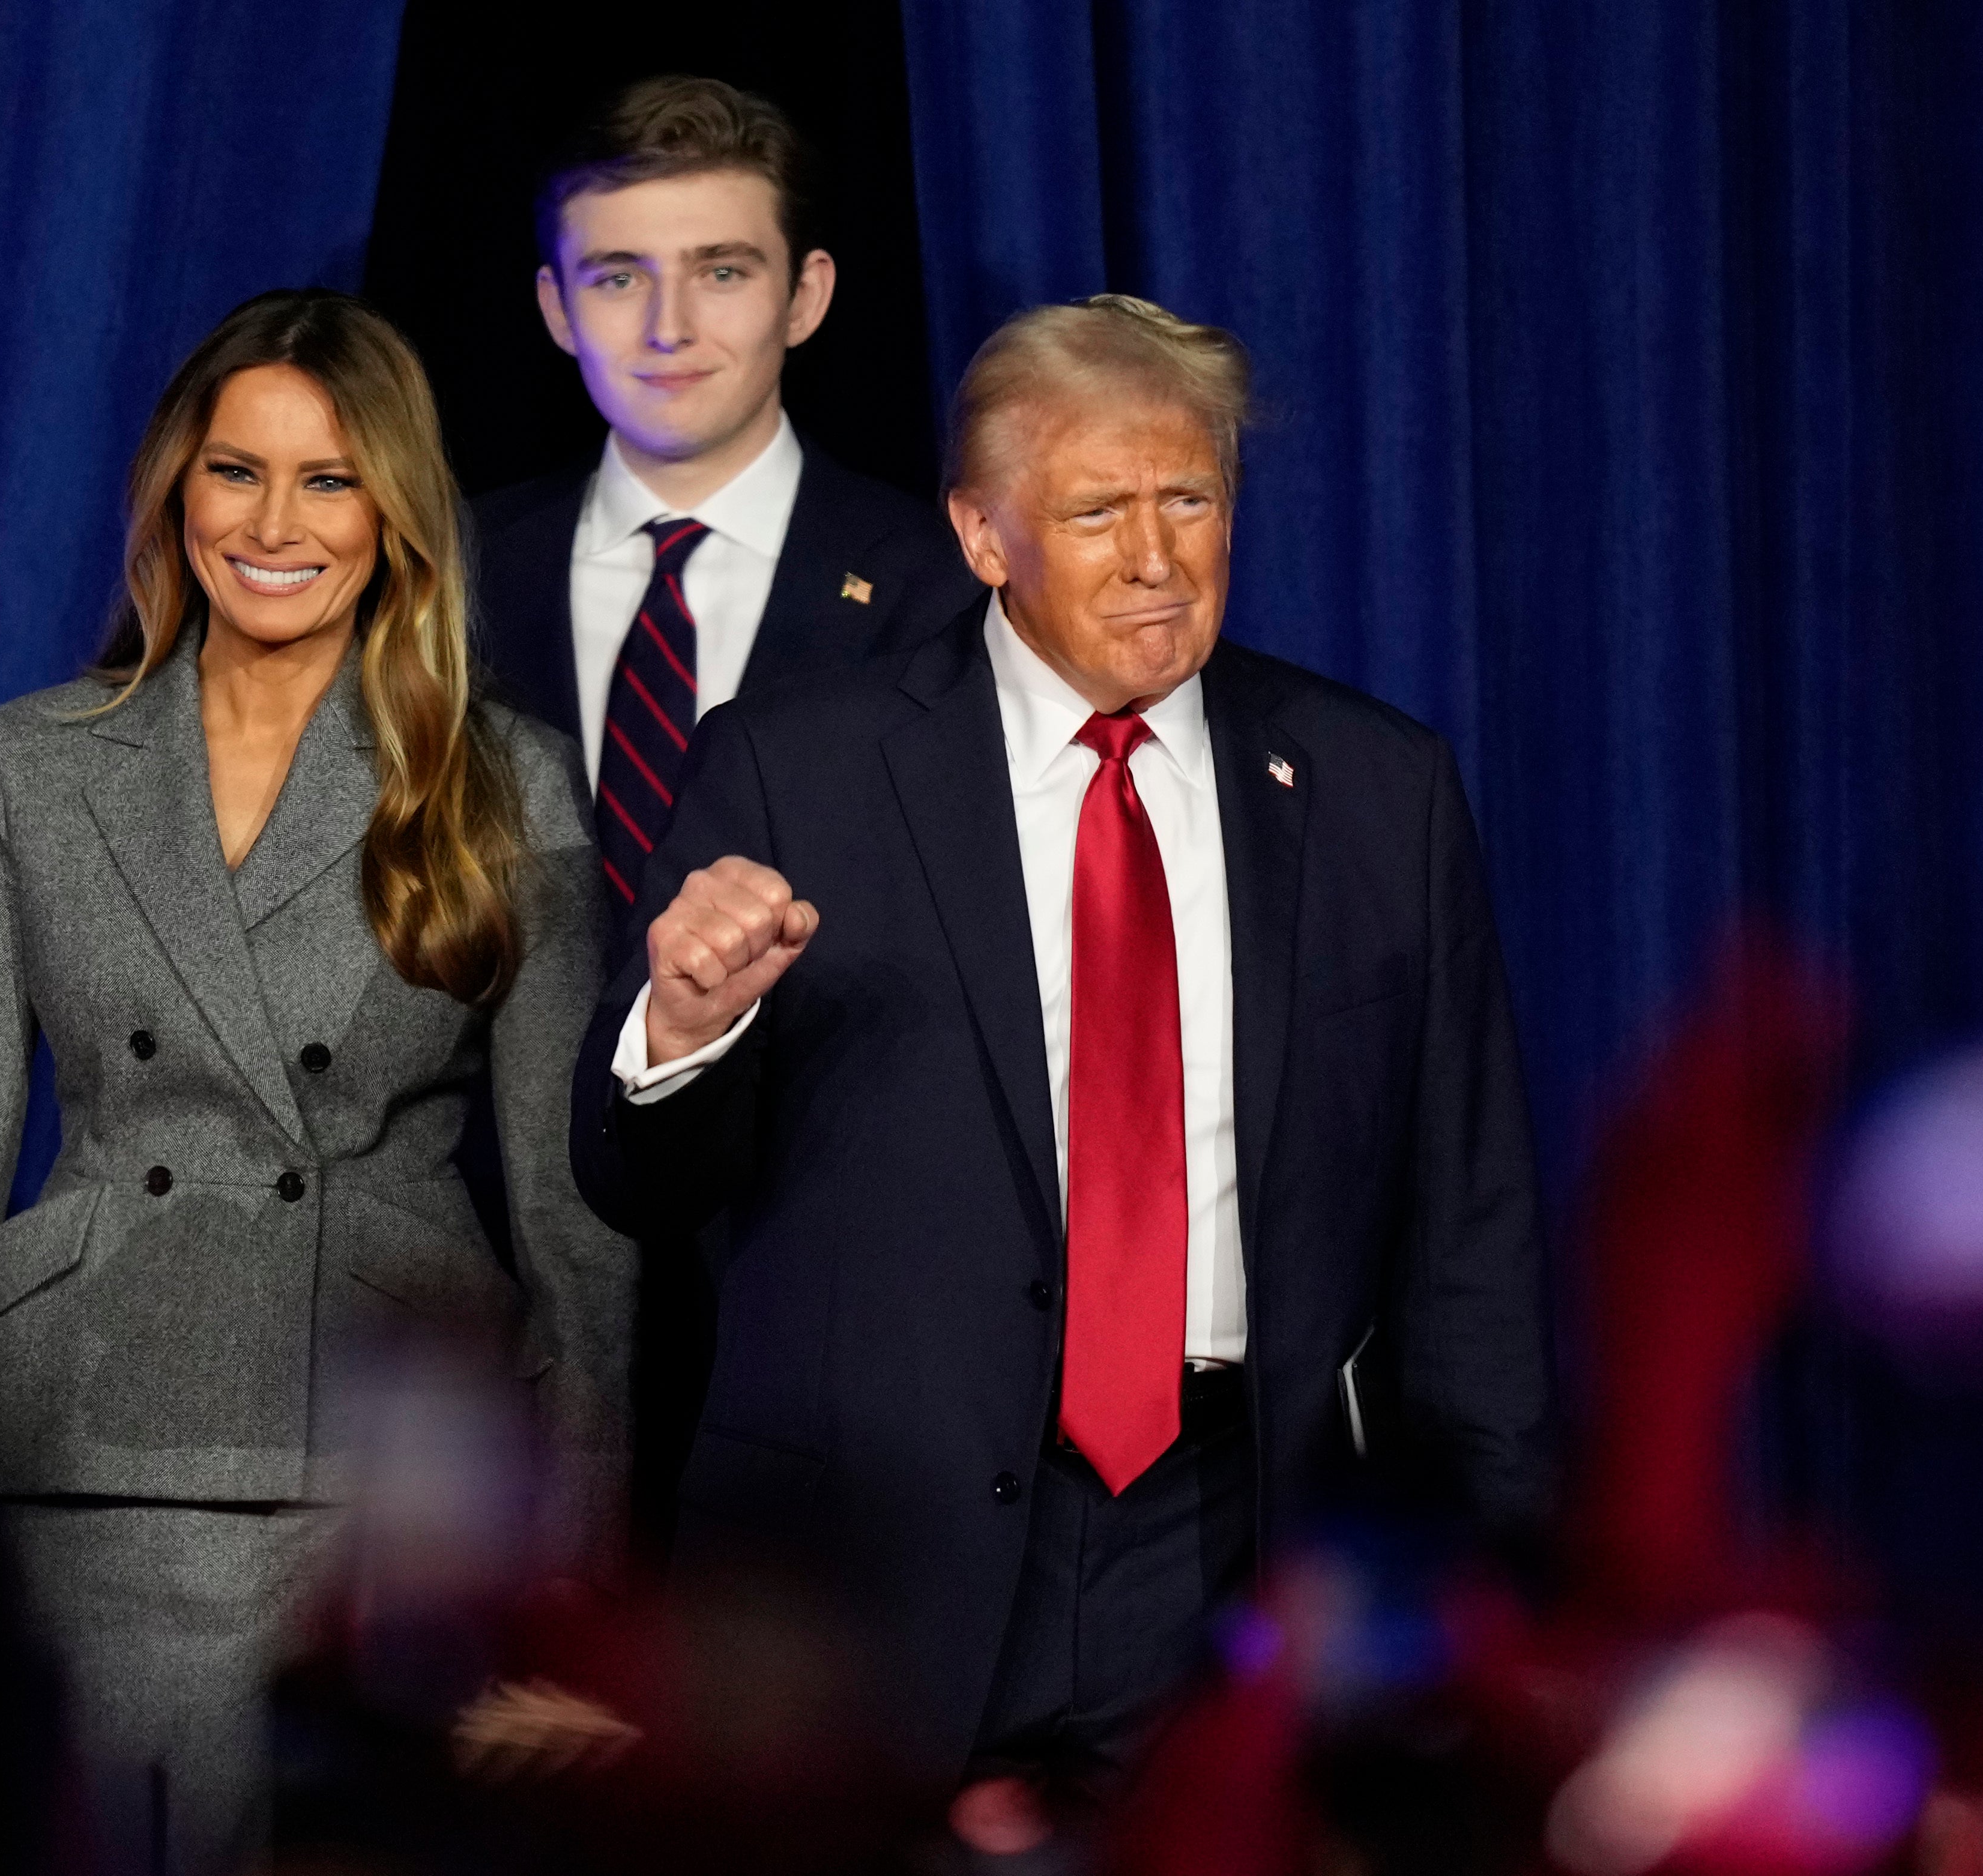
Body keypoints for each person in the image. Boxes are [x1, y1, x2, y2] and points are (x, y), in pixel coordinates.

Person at [567, 297, 1553, 1799]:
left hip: (1241, 1545)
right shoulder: (796, 767)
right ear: (982, 534)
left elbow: (1469, 1234)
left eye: (1190, 500)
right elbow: (639, 1182)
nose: (1157, 558)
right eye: (1097, 511)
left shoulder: (1374, 789)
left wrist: (1490, 1601)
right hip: (878, 1568)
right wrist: (683, 1031)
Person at [0, 289, 632, 1876]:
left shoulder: (503, 778)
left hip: (377, 1474)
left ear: (396, 511)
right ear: (173, 490)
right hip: (72, 1449)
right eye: (235, 471)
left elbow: (575, 1219)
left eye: (329, 478)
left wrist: (570, 1592)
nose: (276, 523)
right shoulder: (34, 762)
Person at [471, 74, 977, 924]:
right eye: (619, 279)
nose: (670, 326)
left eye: (723, 272)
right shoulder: (455, 568)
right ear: (558, 308)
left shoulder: (935, 587)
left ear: (804, 298)